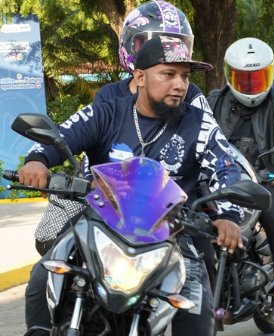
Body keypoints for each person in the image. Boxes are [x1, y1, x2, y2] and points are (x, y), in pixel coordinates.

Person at [18, 36, 243, 336]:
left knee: (195, 295)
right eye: (167, 74)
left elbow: (227, 168)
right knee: (44, 273)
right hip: (99, 227)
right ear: (139, 78)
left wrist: (229, 215)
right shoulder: (107, 111)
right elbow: (63, 135)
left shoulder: (199, 125)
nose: (179, 85)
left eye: (184, 76)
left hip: (168, 235)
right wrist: (37, 160)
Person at [34, 0, 207, 256]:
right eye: (153, 45)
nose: (166, 51)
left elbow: (213, 143)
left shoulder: (190, 95)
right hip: (106, 202)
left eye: (174, 44)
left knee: (206, 264)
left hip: (170, 207)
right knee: (52, 257)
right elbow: (78, 133)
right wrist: (38, 158)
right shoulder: (108, 98)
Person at [208, 37, 274, 331]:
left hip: (269, 177)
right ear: (229, 75)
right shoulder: (215, 100)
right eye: (244, 79)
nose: (250, 85)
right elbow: (201, 136)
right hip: (226, 178)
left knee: (273, 213)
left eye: (257, 78)